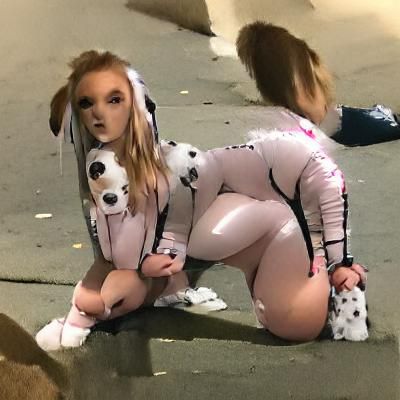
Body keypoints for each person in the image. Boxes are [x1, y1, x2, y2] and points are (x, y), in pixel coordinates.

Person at [35, 50, 366, 351]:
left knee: (292, 321)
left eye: (114, 99)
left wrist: (338, 262)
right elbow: (116, 261)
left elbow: (324, 187)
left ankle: (338, 287)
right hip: (251, 232)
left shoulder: (194, 172)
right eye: (86, 103)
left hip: (283, 247)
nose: (98, 114)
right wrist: (81, 313)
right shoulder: (111, 173)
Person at [236, 21, 400, 146]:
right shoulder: (288, 59)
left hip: (333, 119)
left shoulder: (279, 62)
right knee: (386, 123)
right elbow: (306, 100)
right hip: (333, 123)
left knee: (381, 118)